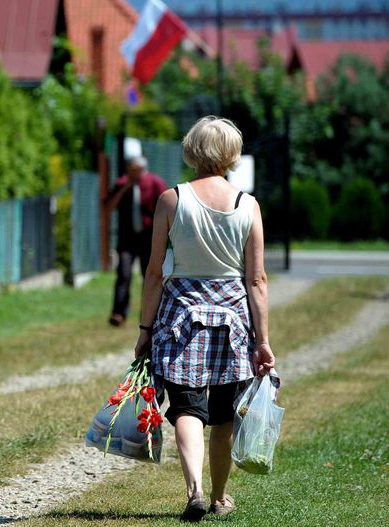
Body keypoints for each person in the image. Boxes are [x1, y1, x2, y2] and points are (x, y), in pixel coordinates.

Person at [134, 116, 275, 522]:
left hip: (180, 315)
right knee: (224, 414)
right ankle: (218, 496)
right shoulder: (248, 205)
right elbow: (257, 279)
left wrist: (145, 329)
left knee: (186, 408)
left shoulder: (171, 199)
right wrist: (262, 340)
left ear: (192, 150)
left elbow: (155, 271)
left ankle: (193, 489)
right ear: (231, 155)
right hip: (232, 320)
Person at [103, 156, 167, 327]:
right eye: (130, 171)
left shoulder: (155, 183)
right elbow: (108, 208)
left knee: (150, 276)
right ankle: (118, 313)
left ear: (143, 169)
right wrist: (124, 188)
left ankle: (149, 315)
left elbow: (167, 206)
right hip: (127, 238)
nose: (133, 175)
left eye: (136, 171)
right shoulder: (122, 183)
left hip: (149, 238)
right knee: (123, 273)